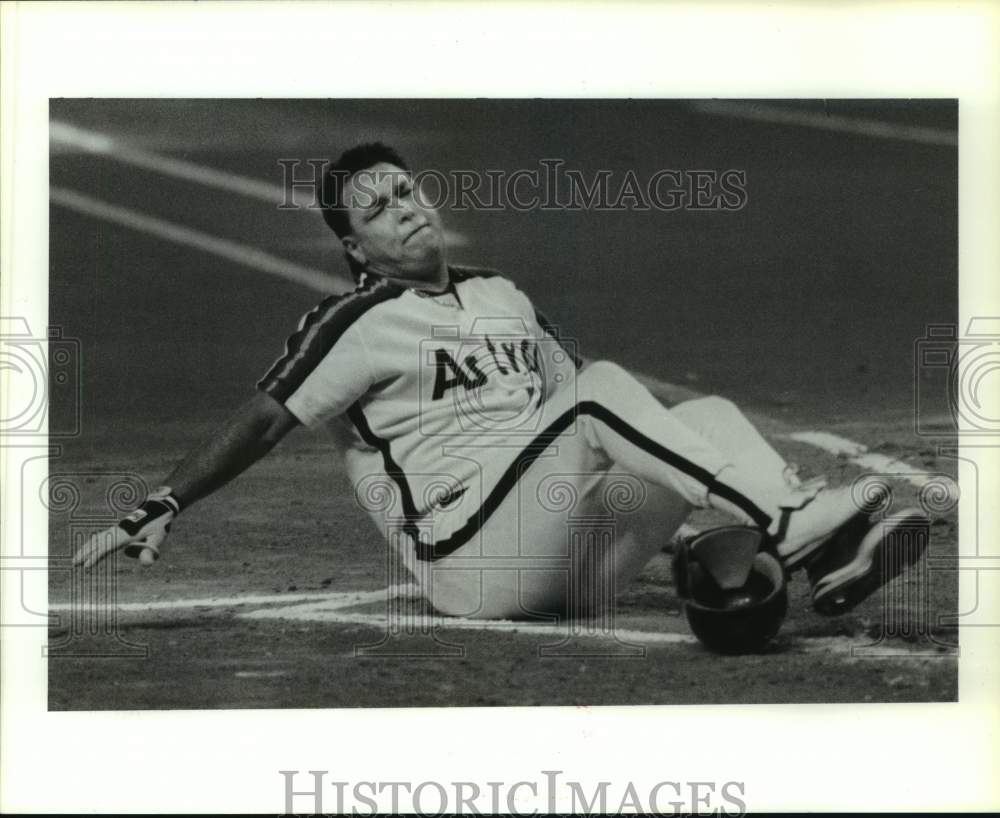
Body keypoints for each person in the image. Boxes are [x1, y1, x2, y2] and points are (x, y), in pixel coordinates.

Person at [75, 142, 927, 622]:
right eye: (377, 211)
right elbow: (264, 421)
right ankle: (780, 521)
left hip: (570, 557)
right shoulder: (353, 321)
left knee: (703, 410)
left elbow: (593, 427)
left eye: (405, 191)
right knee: (600, 388)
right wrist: (163, 502)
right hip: (475, 567)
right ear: (355, 250)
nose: (405, 209)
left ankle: (808, 560)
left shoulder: (501, 294)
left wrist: (665, 520)